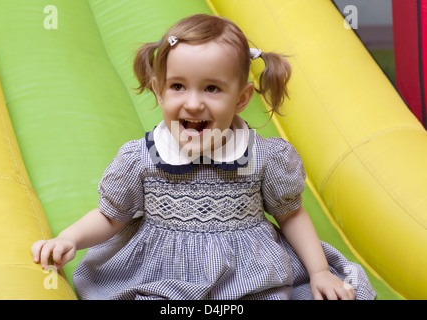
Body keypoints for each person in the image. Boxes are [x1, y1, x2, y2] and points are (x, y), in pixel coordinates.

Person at [31, 14, 375, 300]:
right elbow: (111, 218)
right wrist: (69, 239)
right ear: (158, 90)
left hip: (249, 275)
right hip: (163, 275)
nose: (193, 103)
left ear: (241, 98)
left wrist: (318, 271)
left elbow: (291, 216)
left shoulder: (263, 157)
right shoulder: (143, 158)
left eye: (212, 88)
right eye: (178, 86)